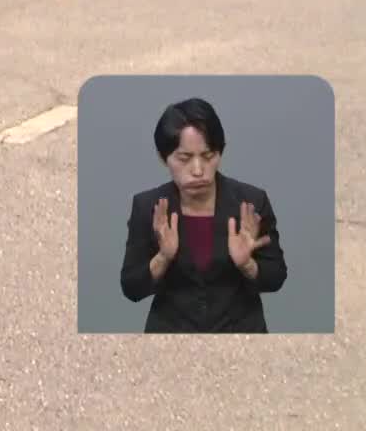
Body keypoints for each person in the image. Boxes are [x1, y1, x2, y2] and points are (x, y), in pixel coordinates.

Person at [120, 98, 286, 332]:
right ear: (163, 157)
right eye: (184, 158)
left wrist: (247, 265)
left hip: (240, 335)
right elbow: (131, 288)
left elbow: (276, 277)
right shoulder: (148, 206)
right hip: (170, 337)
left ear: (220, 152)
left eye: (208, 156)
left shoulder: (250, 203)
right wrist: (163, 258)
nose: (198, 170)